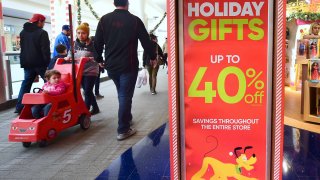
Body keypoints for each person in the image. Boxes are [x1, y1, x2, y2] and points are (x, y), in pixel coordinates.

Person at [94, 0, 156, 141]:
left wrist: (99, 59)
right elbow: (146, 41)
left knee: (122, 93)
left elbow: (97, 42)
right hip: (129, 65)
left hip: (111, 66)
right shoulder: (134, 21)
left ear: (114, 4)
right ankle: (123, 129)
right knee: (125, 96)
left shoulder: (104, 20)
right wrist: (152, 56)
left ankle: (127, 118)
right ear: (127, 4)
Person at [15, 14, 50, 114]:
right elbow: (45, 50)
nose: (43, 24)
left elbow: (23, 48)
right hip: (40, 63)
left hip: (27, 63)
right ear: (39, 21)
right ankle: (47, 104)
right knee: (49, 83)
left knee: (26, 85)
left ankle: (19, 107)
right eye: (43, 22)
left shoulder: (23, 32)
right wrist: (47, 64)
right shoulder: (42, 33)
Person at [66, 23, 100, 115]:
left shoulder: (92, 45)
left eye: (83, 33)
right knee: (86, 91)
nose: (81, 35)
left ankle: (85, 110)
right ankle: (96, 108)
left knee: (87, 91)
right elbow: (70, 53)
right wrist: (68, 57)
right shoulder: (74, 44)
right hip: (79, 70)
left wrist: (89, 59)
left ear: (87, 34)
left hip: (91, 70)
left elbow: (98, 57)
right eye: (79, 33)